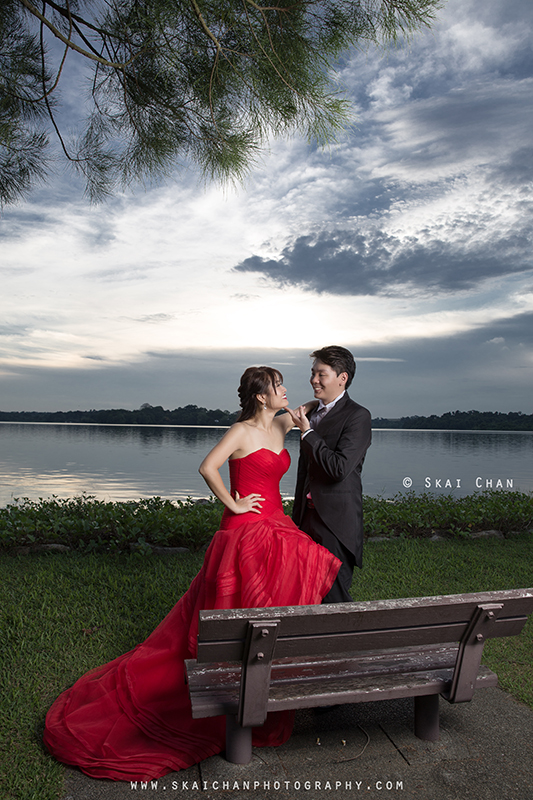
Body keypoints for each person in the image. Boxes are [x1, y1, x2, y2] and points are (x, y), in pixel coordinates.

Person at [43, 367, 340, 782]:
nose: (286, 390)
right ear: (260, 397)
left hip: (273, 522)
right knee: (230, 609)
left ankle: (250, 685)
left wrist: (328, 389)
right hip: (244, 529)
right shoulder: (240, 432)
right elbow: (207, 467)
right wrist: (234, 505)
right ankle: (224, 688)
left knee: (271, 599)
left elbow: (311, 406)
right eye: (278, 386)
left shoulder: (282, 422)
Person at [287, 346, 372, 603]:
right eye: (313, 373)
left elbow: (339, 469)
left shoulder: (358, 416)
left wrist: (308, 433)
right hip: (306, 518)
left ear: (342, 377)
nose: (314, 380)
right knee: (304, 592)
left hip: (335, 523)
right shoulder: (312, 413)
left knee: (333, 597)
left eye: (321, 374)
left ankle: (347, 642)